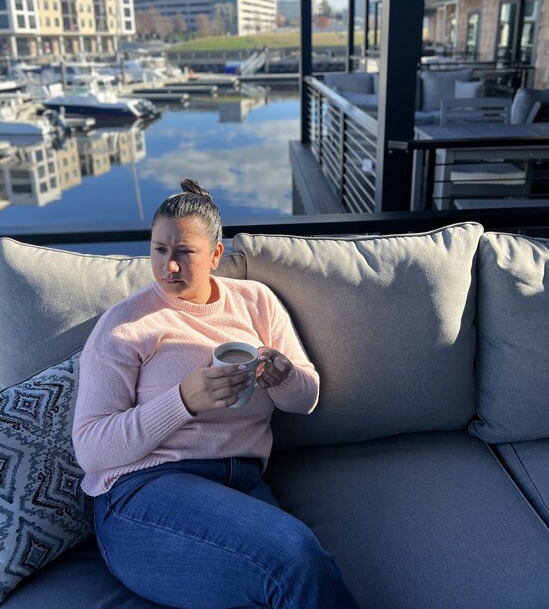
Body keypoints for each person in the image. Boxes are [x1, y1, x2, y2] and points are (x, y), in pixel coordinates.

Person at [73, 179, 358, 609]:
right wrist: (184, 401)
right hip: (145, 493)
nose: (169, 267)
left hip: (241, 483)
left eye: (184, 253)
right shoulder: (125, 325)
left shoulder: (255, 302)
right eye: (159, 250)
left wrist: (282, 377)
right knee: (294, 557)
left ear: (215, 255)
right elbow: (91, 449)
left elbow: (307, 398)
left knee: (283, 584)